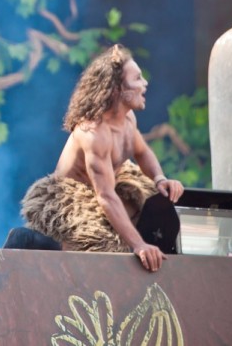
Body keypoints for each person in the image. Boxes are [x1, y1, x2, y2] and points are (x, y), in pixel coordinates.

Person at [20, 44, 184, 272]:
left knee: (157, 207)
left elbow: (142, 152)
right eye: (137, 79)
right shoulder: (93, 133)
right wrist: (138, 245)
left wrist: (159, 178)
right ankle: (37, 243)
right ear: (116, 89)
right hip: (72, 195)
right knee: (107, 244)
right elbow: (105, 196)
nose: (145, 84)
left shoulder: (128, 119)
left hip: (112, 180)